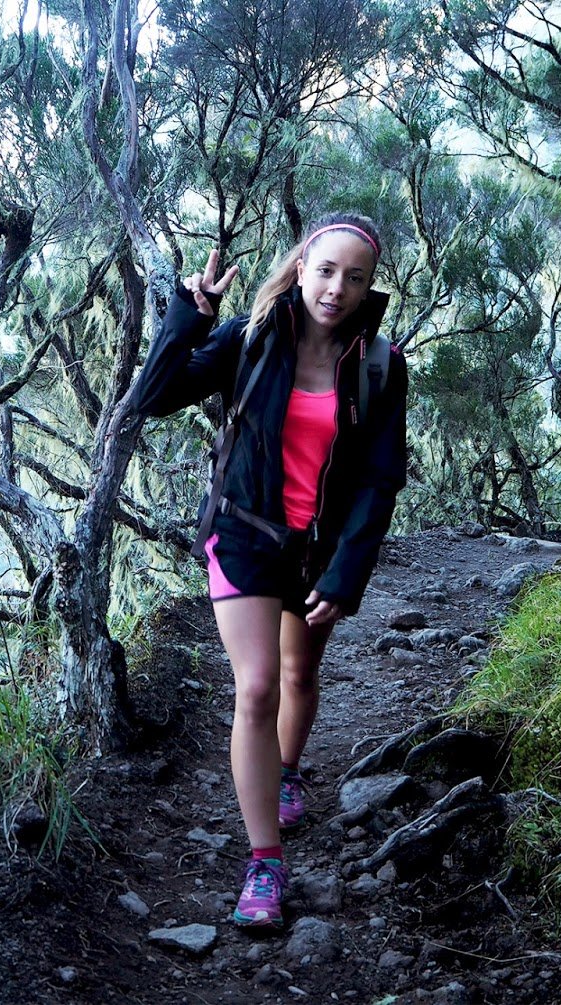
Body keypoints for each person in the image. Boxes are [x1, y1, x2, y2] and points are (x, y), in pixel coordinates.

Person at [131, 213, 408, 928]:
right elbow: (153, 397)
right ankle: (265, 860)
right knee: (255, 687)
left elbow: (380, 481)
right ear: (302, 264)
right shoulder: (252, 334)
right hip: (244, 531)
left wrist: (347, 574)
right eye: (326, 270)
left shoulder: (380, 363)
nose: (336, 288)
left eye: (355, 277)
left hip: (317, 551)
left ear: (368, 286)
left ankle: (286, 770)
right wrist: (186, 317)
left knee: (298, 676)